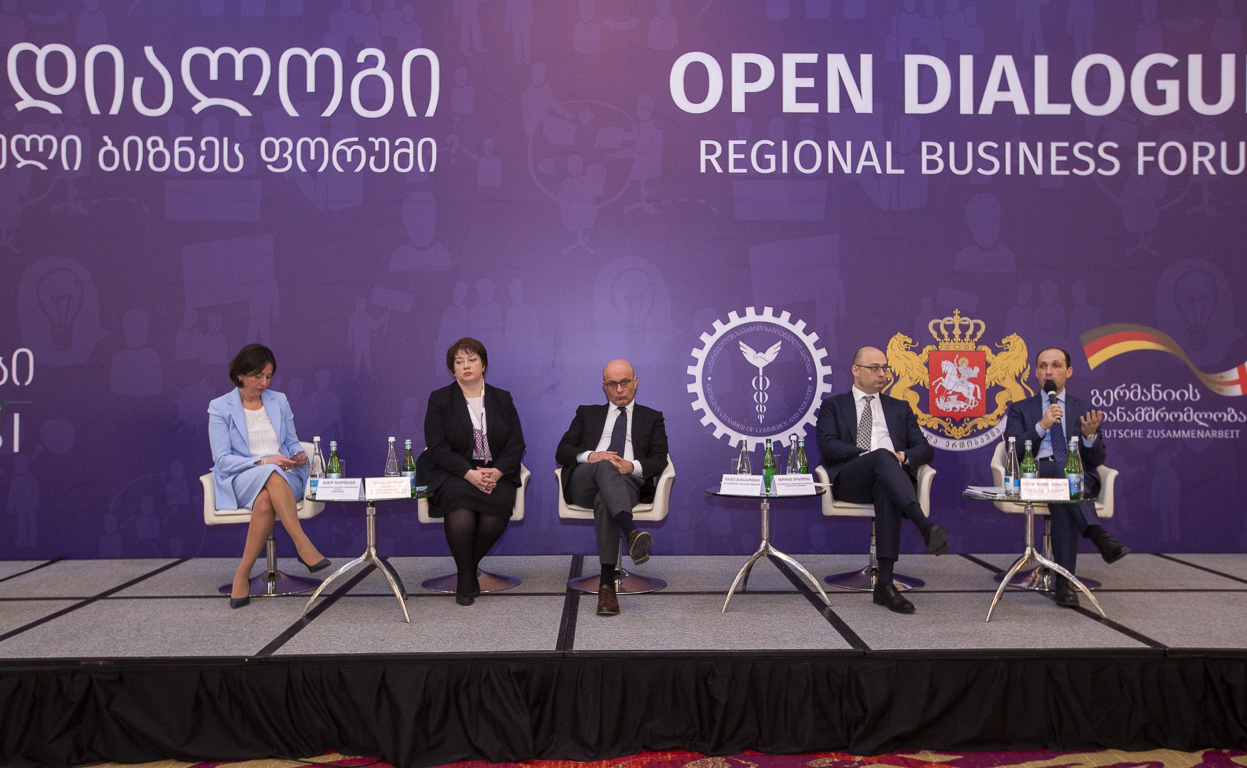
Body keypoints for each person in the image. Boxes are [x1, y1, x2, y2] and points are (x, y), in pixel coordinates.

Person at [816, 346, 949, 614]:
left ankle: (884, 585)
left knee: (885, 484)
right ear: (856, 370)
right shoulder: (833, 406)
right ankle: (924, 525)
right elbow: (828, 446)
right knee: (880, 457)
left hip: (890, 480)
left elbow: (924, 449)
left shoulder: (900, 407)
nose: (882, 374)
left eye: (885, 368)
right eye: (874, 368)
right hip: (851, 479)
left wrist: (901, 456)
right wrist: (872, 456)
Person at [208, 344, 330, 609]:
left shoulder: (279, 401)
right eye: (257, 376)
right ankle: (302, 544)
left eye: (268, 376)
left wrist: (298, 455)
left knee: (265, 498)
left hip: (285, 478)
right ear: (240, 375)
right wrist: (265, 462)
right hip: (242, 478)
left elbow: (292, 441)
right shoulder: (220, 408)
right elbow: (222, 460)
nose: (263, 383)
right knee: (270, 473)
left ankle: (242, 575)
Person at [1005, 347, 1129, 608]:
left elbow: (1096, 459)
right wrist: (1041, 426)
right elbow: (1013, 452)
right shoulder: (1020, 409)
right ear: (1035, 372)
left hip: (1076, 478)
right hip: (1035, 475)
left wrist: (1090, 436)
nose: (1048, 371)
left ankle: (1064, 582)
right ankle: (1093, 541)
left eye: (1056, 365)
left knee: (1063, 491)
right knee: (1064, 481)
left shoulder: (1085, 409)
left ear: (1069, 371)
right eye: (1043, 366)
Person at [417, 337, 526, 606]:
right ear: (452, 369)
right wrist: (468, 473)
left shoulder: (502, 398)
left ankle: (466, 569)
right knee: (459, 505)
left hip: (494, 471)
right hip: (452, 471)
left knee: (499, 504)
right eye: (459, 361)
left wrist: (497, 472)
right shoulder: (440, 399)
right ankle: (467, 578)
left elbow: (516, 444)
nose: (466, 366)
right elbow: (437, 447)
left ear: (483, 365)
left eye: (472, 360)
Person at [556, 359, 668, 617]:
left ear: (635, 382)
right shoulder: (587, 414)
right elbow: (562, 451)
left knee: (604, 500)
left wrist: (632, 466)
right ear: (604, 386)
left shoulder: (652, 417)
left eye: (625, 382)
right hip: (585, 481)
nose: (619, 389)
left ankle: (606, 587)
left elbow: (659, 459)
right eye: (612, 384)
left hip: (628, 483)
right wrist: (592, 456)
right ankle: (631, 532)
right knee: (605, 464)